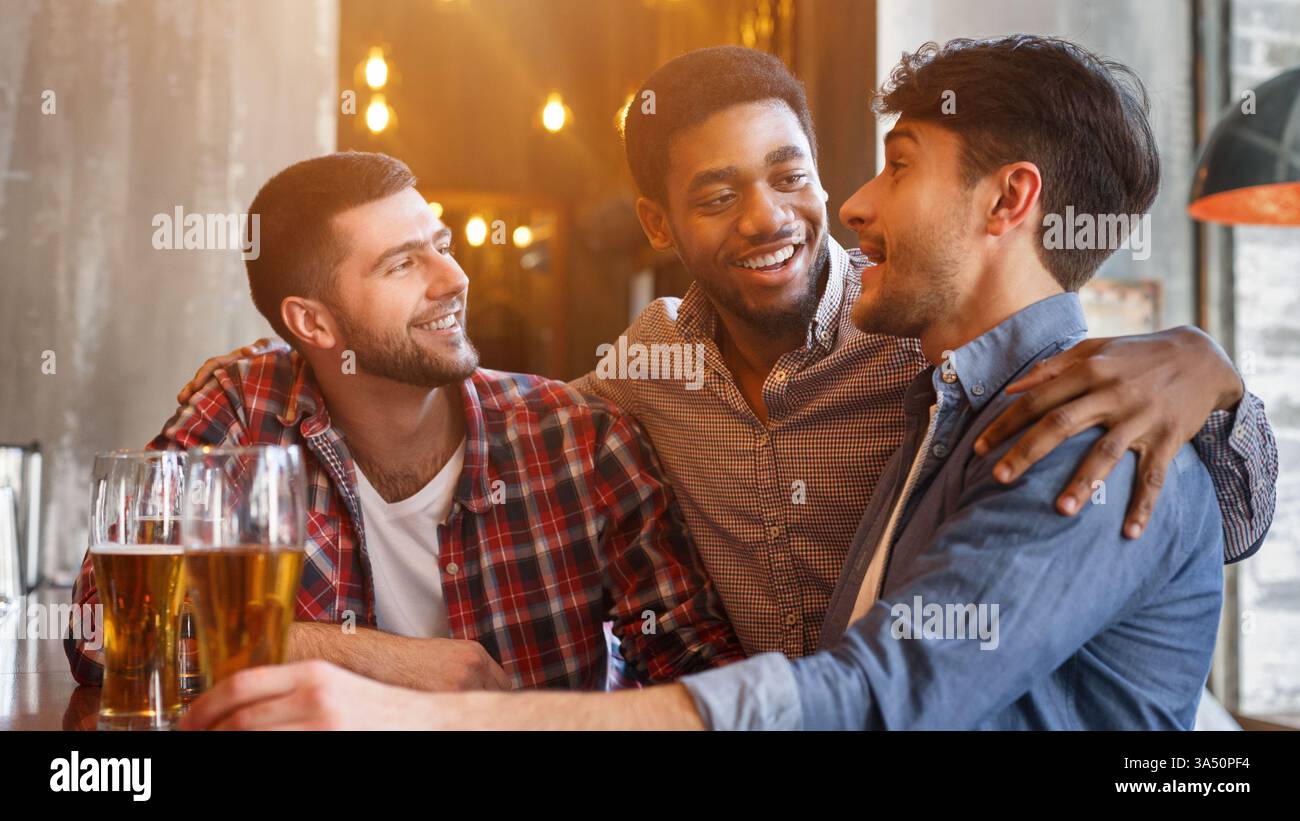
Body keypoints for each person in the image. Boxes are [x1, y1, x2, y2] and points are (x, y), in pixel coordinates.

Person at [184, 35, 1227, 730]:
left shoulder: (1001, 385)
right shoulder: (655, 378)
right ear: (659, 224)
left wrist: (1212, 382)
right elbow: (525, 419)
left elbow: (880, 693)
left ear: (1008, 201)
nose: (811, 211)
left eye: (797, 175)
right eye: (718, 195)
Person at [68, 152, 744, 692]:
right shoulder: (249, 408)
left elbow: (700, 675)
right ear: (313, 323)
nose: (453, 278)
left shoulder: (579, 440)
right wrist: (370, 657)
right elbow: (103, 628)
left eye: (441, 245)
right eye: (402, 264)